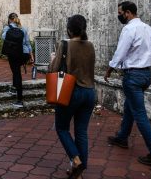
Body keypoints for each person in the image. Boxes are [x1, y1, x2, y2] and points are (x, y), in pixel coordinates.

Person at [105, 1, 151, 169]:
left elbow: (120, 52)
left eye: (120, 13)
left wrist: (109, 69)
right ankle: (122, 137)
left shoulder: (129, 29)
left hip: (133, 76)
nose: (119, 16)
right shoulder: (149, 29)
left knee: (140, 114)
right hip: (146, 75)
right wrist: (142, 52)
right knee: (130, 107)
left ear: (128, 13)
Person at [48, 15, 95, 179]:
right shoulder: (90, 45)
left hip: (71, 92)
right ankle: (79, 173)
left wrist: (52, 60)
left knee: (62, 128)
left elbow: (53, 70)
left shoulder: (65, 45)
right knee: (81, 131)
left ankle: (76, 161)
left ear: (69, 29)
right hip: (90, 92)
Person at [1, 13, 33, 108]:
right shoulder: (23, 28)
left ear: (10, 20)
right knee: (16, 71)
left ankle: (19, 100)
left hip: (13, 54)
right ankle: (14, 89)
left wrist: (7, 27)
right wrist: (31, 55)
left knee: (16, 73)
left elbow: (3, 37)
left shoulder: (8, 28)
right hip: (24, 54)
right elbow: (27, 43)